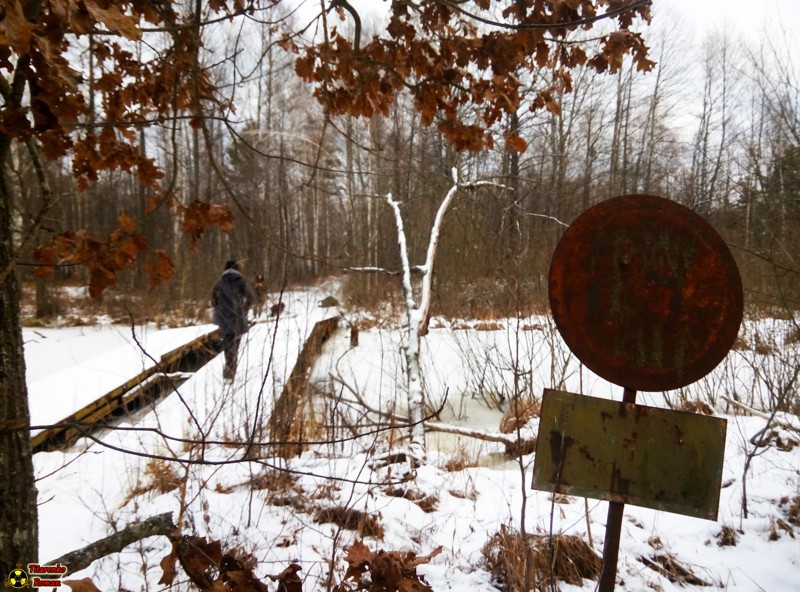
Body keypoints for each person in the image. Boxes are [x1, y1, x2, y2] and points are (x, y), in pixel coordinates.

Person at [211, 259, 255, 380]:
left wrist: (220, 310)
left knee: (227, 344)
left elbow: (213, 301)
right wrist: (243, 311)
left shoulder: (219, 283)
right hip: (238, 318)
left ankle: (229, 369)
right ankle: (231, 370)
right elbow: (251, 298)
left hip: (224, 319)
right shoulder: (242, 282)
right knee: (235, 344)